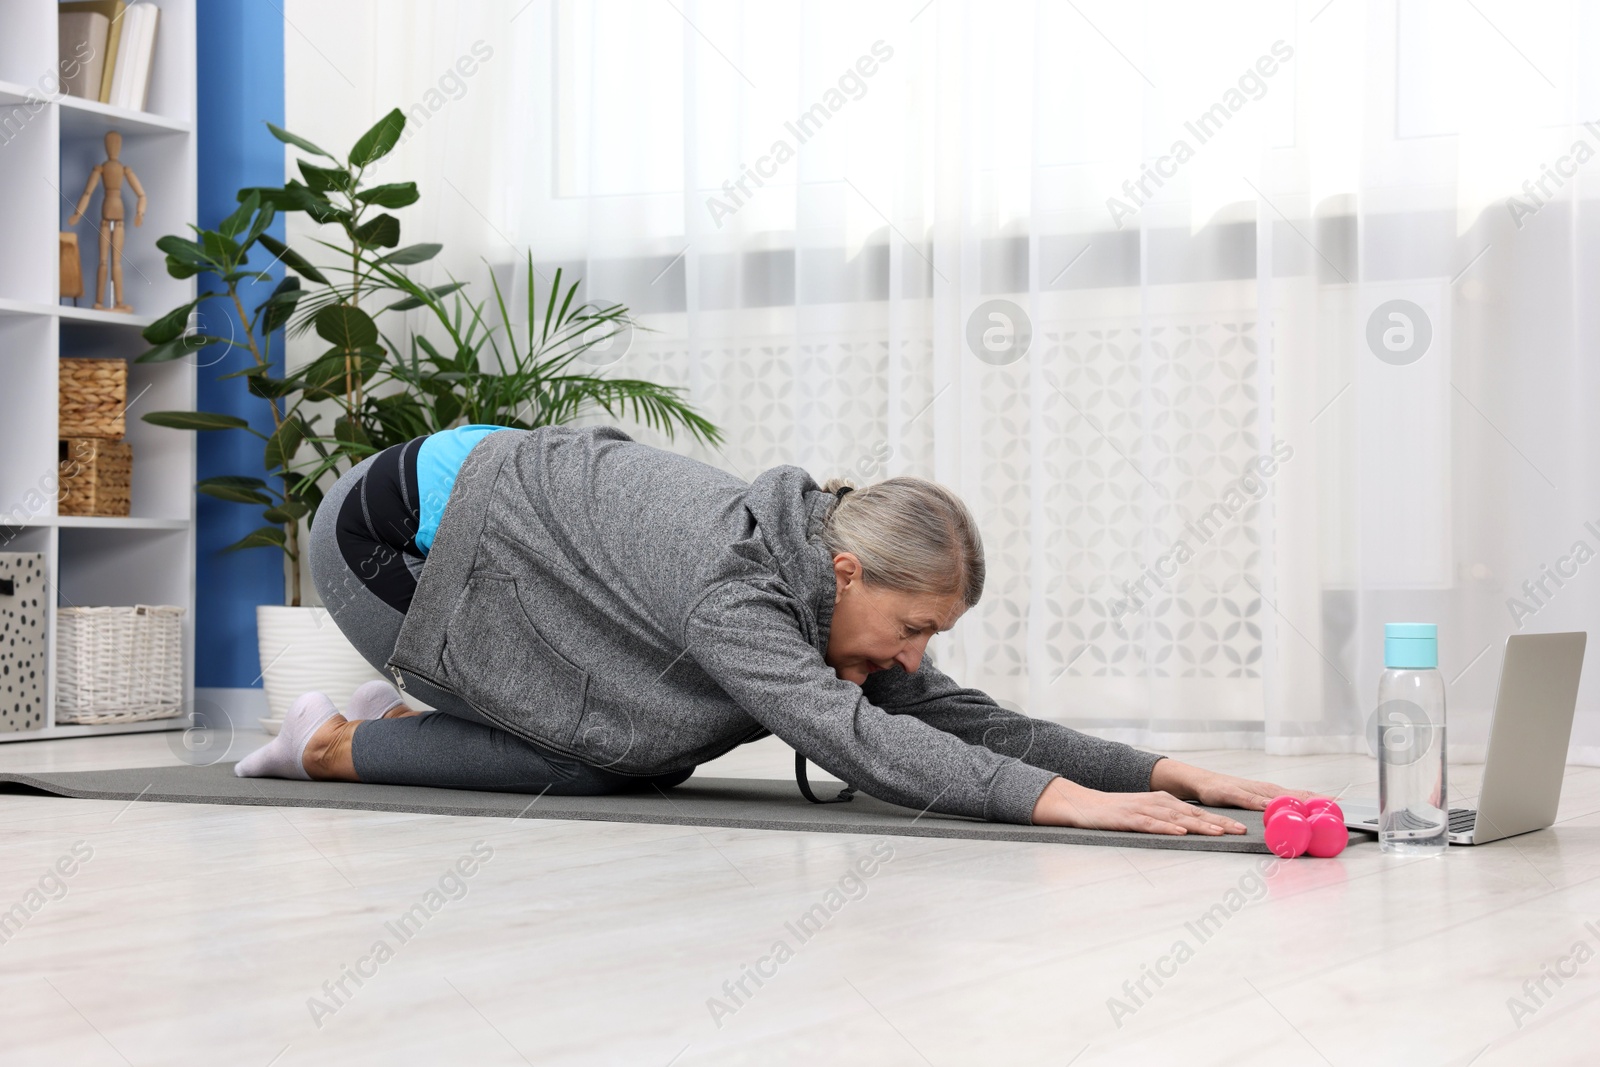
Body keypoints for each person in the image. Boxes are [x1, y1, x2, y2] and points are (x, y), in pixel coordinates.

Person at [235, 424, 1309, 835]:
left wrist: (1167, 771)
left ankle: (398, 720)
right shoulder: (737, 577)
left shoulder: (817, 578)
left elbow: (952, 717)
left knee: (644, 742)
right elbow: (851, 735)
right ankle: (329, 742)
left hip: (491, 530)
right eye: (911, 624)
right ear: (845, 567)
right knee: (620, 754)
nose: (912, 655)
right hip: (385, 545)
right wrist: (1074, 809)